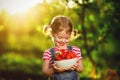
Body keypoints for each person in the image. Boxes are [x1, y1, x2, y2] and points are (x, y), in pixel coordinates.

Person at [42, 15, 83, 80]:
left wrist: (76, 66)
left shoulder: (75, 50)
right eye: (60, 37)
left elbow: (81, 69)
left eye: (67, 38)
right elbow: (45, 71)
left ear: (70, 35)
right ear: (52, 34)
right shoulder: (48, 52)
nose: (63, 41)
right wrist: (54, 69)